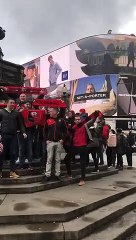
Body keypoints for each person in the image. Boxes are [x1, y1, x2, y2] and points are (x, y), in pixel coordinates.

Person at [0, 99, 27, 178]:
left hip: (13, 136)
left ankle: (12, 171)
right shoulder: (1, 112)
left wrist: (23, 132)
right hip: (3, 135)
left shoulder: (17, 113)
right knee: (1, 154)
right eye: (11, 103)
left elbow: (21, 124)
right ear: (7, 103)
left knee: (13, 153)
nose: (12, 104)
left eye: (13, 103)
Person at [44, 107, 67, 181]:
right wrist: (46, 140)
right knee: (49, 159)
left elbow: (65, 131)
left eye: (50, 111)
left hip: (58, 142)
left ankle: (57, 174)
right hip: (50, 142)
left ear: (55, 111)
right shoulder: (48, 120)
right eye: (49, 111)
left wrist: (62, 139)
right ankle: (47, 175)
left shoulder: (62, 120)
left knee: (57, 159)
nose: (49, 112)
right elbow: (44, 131)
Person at [18, 100, 35, 169]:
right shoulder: (20, 112)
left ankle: (30, 164)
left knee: (29, 148)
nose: (28, 105)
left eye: (29, 104)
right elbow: (20, 123)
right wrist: (23, 131)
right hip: (21, 133)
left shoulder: (33, 112)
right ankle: (21, 164)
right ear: (24, 105)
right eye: (26, 104)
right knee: (21, 149)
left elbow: (34, 122)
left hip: (30, 133)